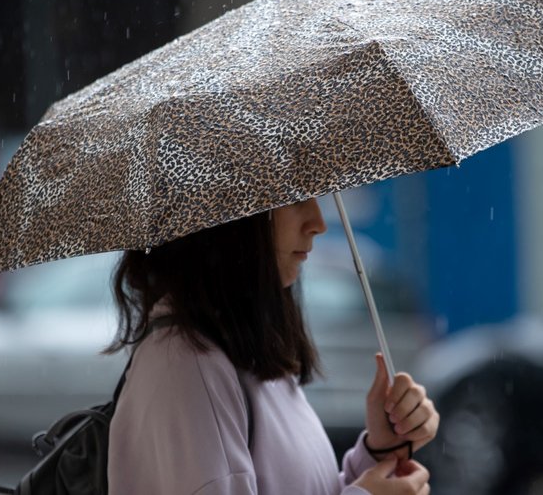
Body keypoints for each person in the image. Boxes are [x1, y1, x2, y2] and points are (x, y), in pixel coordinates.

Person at [106, 197, 439, 494]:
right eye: (295, 198)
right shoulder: (187, 371)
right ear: (228, 214)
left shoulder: (236, 346)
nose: (318, 223)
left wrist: (379, 453)